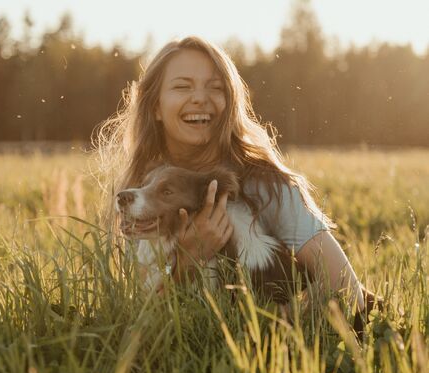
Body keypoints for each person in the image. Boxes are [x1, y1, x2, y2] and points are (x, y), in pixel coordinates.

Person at [96, 36, 372, 325]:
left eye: (215, 88)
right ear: (154, 106)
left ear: (230, 102)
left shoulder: (268, 187)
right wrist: (188, 259)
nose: (200, 98)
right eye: (182, 86)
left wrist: (277, 331)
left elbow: (347, 289)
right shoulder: (141, 196)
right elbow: (144, 317)